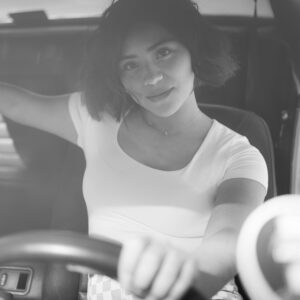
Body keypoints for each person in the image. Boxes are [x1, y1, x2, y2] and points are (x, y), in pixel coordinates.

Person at [0, 0, 268, 299]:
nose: (151, 78)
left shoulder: (238, 155)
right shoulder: (94, 119)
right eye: (131, 64)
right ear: (117, 76)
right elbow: (13, 102)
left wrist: (179, 282)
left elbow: (227, 238)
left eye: (163, 53)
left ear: (196, 52)